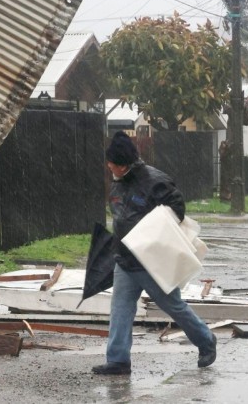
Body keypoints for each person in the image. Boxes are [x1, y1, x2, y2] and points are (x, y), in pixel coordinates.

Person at [93, 131, 217, 376]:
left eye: (111, 163)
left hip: (151, 262)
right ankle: (118, 360)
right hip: (125, 259)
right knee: (120, 309)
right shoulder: (119, 182)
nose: (109, 167)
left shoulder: (155, 181)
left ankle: (206, 340)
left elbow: (177, 211)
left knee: (173, 306)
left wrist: (151, 235)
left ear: (122, 165)